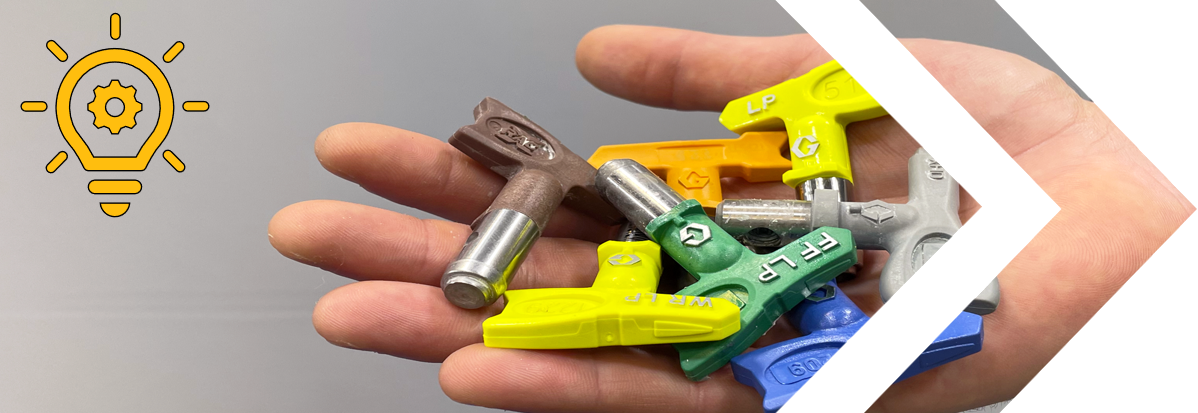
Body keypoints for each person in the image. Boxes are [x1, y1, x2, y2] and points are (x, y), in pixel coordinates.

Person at [266, 25, 1195, 413]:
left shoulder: (823, 236)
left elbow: (785, 259)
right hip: (719, 268)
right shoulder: (729, 246)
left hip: (741, 271)